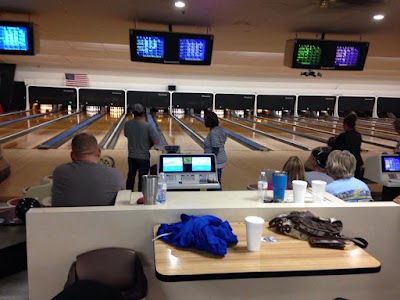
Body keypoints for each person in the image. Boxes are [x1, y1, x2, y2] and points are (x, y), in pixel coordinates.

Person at [52, 133, 124, 207]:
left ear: (72, 155)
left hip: (65, 218)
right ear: (99, 152)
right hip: (104, 218)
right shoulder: (116, 175)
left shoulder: (59, 172)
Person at [124, 103, 159, 191]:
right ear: (143, 113)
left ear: (133, 113)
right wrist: (148, 144)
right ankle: (141, 197)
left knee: (130, 177)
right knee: (142, 180)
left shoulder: (127, 124)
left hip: (131, 156)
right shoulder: (147, 126)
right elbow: (156, 141)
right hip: (144, 157)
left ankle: (128, 195)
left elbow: (127, 135)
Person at [330, 113, 364, 179]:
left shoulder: (343, 136)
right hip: (357, 162)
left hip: (345, 163)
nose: (343, 126)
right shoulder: (358, 135)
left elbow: (335, 150)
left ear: (346, 125)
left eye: (343, 124)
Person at [204, 111, 227, 189]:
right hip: (220, 159)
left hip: (216, 161)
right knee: (216, 182)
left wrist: (211, 162)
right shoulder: (219, 129)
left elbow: (216, 148)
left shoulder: (213, 132)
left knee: (213, 184)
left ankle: (215, 198)